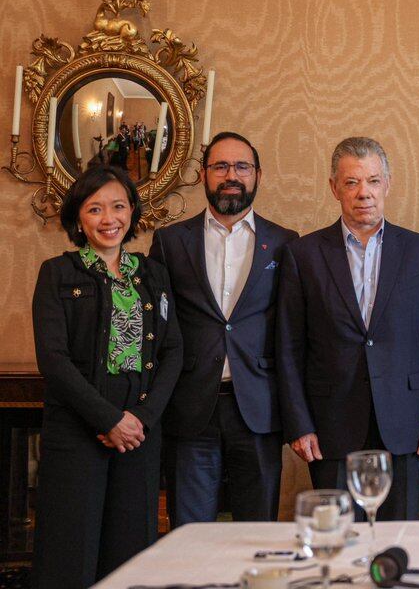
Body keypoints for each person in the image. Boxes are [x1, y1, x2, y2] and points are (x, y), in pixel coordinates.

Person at [277, 137, 419, 520]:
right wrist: (299, 424)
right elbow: (288, 348)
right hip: (329, 426)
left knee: (396, 538)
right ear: (334, 188)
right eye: (352, 182)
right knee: (337, 538)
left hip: (405, 423)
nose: (364, 193)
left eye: (373, 181)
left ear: (387, 184)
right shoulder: (303, 255)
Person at [31, 165, 182, 588]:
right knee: (69, 551)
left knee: (132, 552)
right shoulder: (58, 273)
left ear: (132, 211)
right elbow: (53, 359)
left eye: (118, 206)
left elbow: (173, 351)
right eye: (95, 208)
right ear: (78, 217)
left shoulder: (152, 274)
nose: (108, 218)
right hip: (78, 428)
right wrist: (108, 419)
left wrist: (142, 419)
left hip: (139, 429)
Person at [150, 131, 299, 525]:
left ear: (258, 175)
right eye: (220, 166)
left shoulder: (286, 243)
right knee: (189, 532)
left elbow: (291, 334)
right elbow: (159, 330)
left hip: (259, 407)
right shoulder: (169, 242)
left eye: (242, 167)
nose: (231, 175)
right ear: (203, 175)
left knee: (257, 532)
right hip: (191, 405)